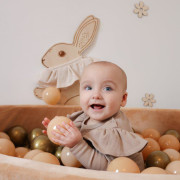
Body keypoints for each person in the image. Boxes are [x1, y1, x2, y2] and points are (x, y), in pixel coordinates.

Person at [42, 61, 147, 171]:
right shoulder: (86, 116)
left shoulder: (114, 130)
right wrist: (59, 131)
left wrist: (77, 145)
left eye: (107, 88)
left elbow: (108, 168)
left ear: (123, 98)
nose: (96, 95)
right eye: (88, 88)